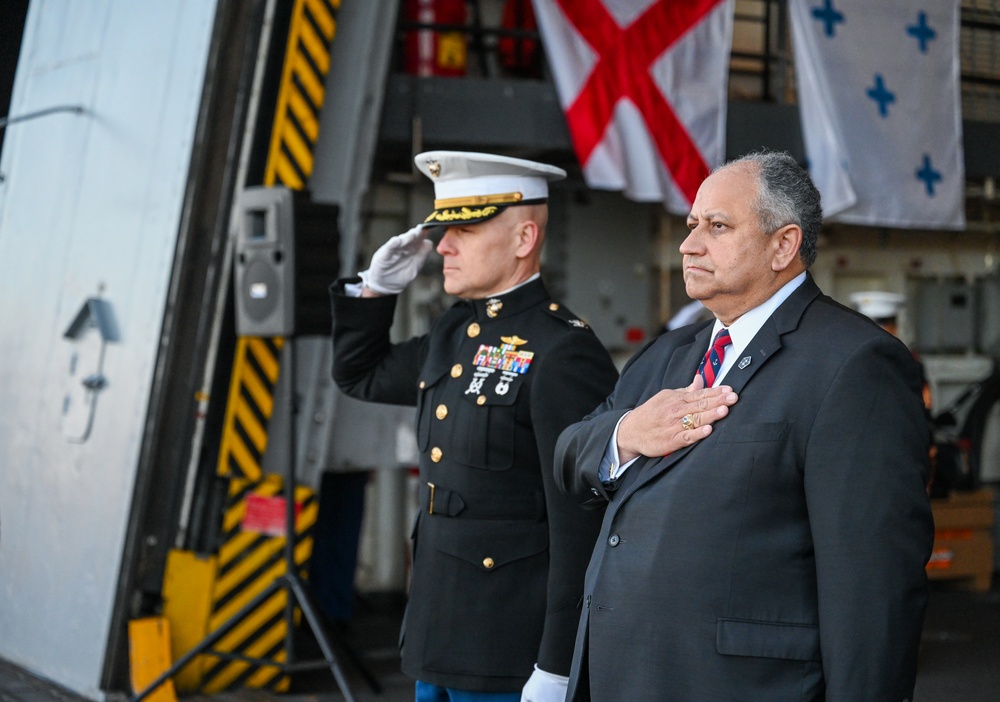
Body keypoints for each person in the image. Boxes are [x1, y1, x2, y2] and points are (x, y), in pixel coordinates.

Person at [554, 150, 934, 702]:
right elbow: (571, 452)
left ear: (783, 245)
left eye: (718, 226)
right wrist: (628, 432)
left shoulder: (855, 363)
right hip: (623, 675)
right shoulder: (668, 355)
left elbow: (872, 589)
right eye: (691, 226)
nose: (689, 244)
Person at [329, 151, 619, 701]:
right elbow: (358, 375)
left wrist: (558, 664)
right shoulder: (454, 332)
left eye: (463, 228)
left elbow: (580, 526)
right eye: (442, 230)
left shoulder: (561, 351)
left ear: (523, 238)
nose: (443, 246)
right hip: (437, 638)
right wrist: (376, 289)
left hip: (509, 652)